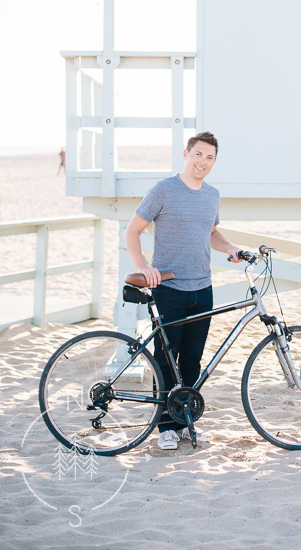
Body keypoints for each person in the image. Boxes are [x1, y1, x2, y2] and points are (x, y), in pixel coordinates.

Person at [124, 132, 242, 451]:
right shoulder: (164, 190)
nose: (203, 162)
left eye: (210, 158)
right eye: (199, 154)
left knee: (191, 361)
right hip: (169, 289)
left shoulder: (212, 195)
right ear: (186, 153)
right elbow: (132, 230)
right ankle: (165, 426)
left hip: (203, 289)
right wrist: (142, 266)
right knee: (166, 360)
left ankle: (186, 420)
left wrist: (230, 248)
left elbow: (211, 232)